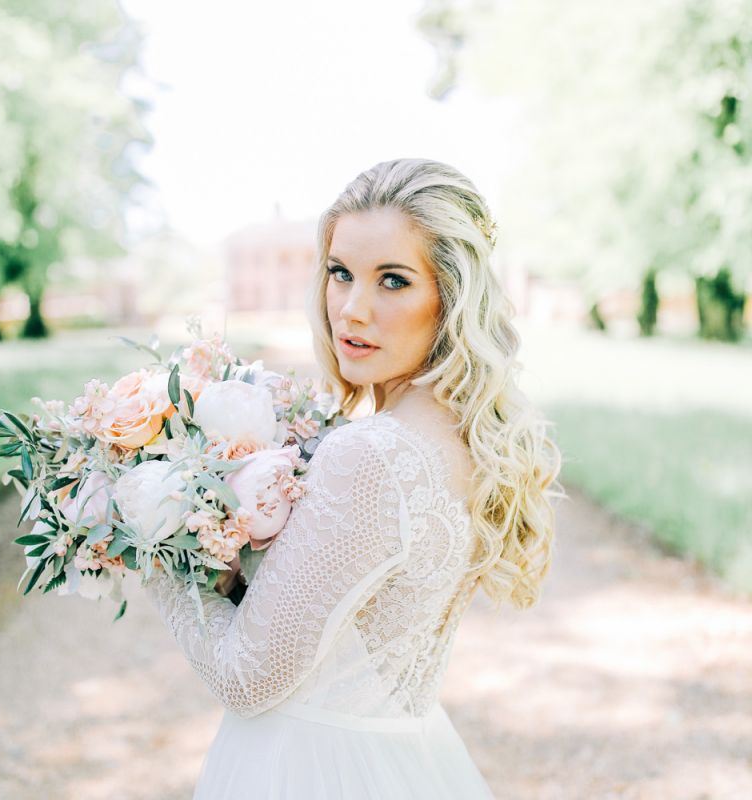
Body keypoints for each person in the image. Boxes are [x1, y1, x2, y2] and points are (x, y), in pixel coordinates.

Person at [144, 157, 564, 799]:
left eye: (392, 281)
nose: (351, 309)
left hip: (308, 770)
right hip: (407, 758)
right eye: (340, 273)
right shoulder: (470, 440)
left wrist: (143, 523)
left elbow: (246, 678)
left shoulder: (371, 455)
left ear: (449, 298)